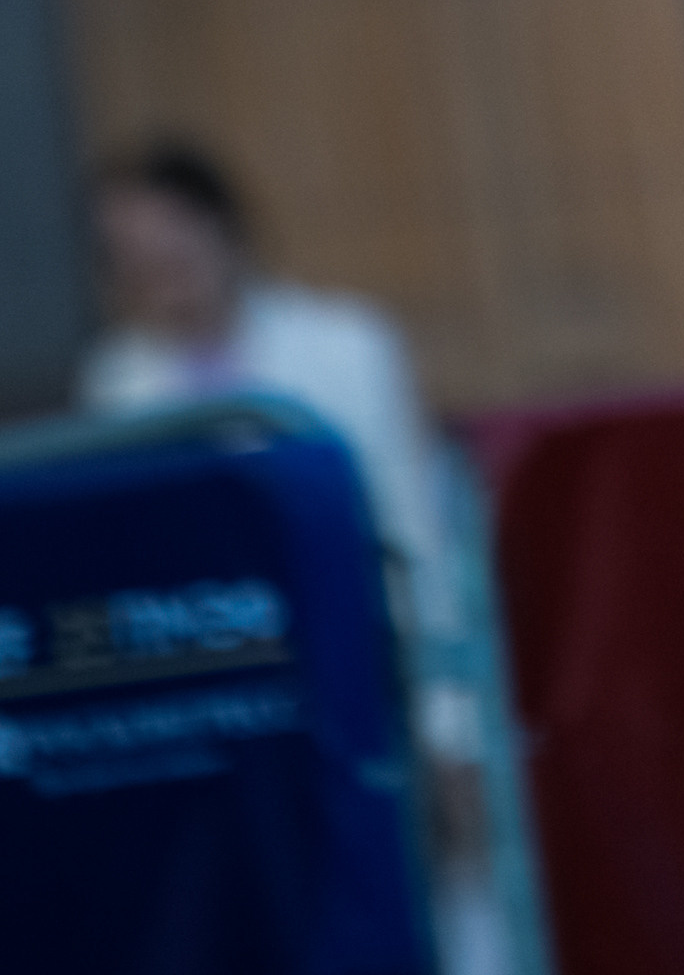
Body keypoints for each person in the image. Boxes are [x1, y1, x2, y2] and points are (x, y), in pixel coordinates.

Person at [79, 141, 496, 932]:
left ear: (224, 228)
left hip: (368, 679)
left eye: (175, 242)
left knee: (438, 912)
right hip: (235, 717)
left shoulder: (346, 346)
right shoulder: (118, 384)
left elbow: (417, 538)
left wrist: (452, 725)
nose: (165, 272)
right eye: (136, 260)